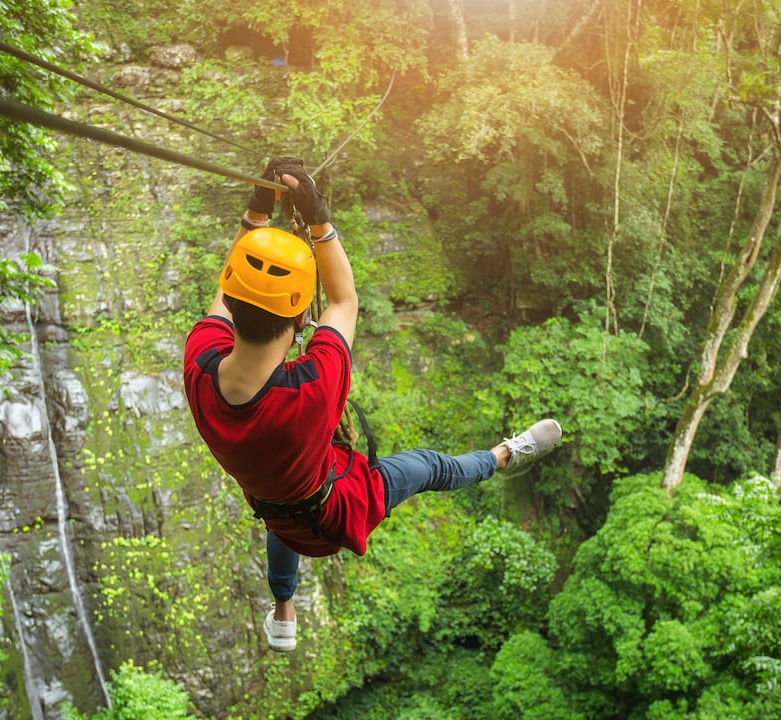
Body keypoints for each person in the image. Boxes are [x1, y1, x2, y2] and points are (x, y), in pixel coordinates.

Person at [182, 158, 561, 652]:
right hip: (338, 510)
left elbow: (242, 293)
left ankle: (283, 612)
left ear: (232, 306)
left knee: (283, 514)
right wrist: (313, 213)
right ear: (301, 320)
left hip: (274, 504)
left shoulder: (200, 366)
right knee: (427, 467)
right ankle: (504, 457)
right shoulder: (310, 389)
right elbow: (343, 300)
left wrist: (259, 218)